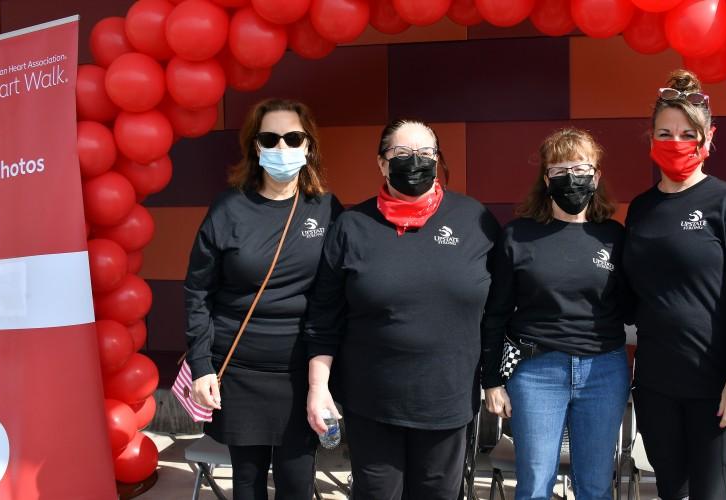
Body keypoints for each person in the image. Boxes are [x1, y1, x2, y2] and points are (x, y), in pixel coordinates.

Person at [303, 119, 500, 500]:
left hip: (447, 402)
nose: (415, 162)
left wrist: (494, 379)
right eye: (402, 154)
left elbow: (499, 311)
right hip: (372, 403)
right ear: (381, 163)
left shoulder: (475, 220)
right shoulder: (352, 226)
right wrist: (318, 387)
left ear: (438, 159)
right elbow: (324, 316)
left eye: (426, 153)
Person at [621, 69, 726, 499]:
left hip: (718, 388)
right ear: (651, 139)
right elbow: (632, 296)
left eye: (688, 133)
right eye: (665, 133)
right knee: (671, 492)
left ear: (709, 140)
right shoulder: (642, 209)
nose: (675, 142)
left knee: (711, 494)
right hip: (656, 387)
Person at [184, 98, 343, 500]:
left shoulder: (325, 209)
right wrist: (202, 366)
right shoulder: (228, 208)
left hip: (300, 372)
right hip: (238, 370)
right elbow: (198, 292)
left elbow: (334, 298)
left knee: (296, 481)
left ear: (309, 146)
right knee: (247, 482)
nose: (282, 148)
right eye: (270, 139)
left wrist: (323, 379)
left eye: (293, 138)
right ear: (256, 147)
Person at [481, 128, 632, 500]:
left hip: (603, 370)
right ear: (546, 179)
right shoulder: (517, 236)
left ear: (596, 176)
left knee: (595, 485)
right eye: (560, 171)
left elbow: (633, 303)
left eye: (580, 169)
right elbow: (495, 313)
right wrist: (492, 381)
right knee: (534, 484)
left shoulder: (613, 236)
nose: (572, 179)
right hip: (535, 373)